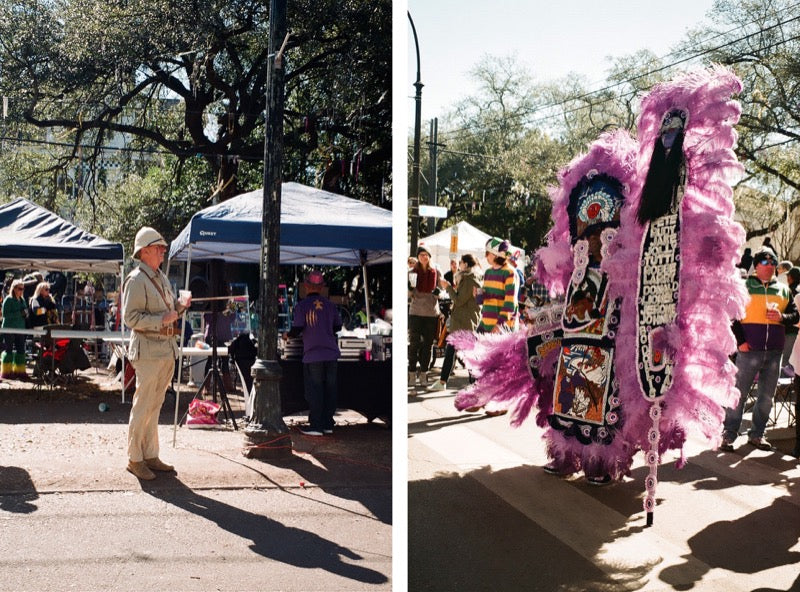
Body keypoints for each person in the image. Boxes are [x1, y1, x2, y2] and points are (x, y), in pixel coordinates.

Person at [122, 226, 190, 480]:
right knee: (143, 405)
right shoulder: (136, 279)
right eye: (159, 248)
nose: (163, 252)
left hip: (164, 350)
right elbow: (131, 318)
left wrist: (180, 308)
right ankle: (134, 458)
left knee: (155, 405)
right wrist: (163, 318)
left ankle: (150, 454)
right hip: (149, 351)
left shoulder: (159, 277)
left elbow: (169, 311)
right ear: (146, 251)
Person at [721, 246, 798, 452]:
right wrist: (740, 342)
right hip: (749, 351)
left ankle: (757, 435)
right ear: (756, 266)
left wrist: (782, 317)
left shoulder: (783, 290)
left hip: (774, 352)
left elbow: (795, 316)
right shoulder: (744, 287)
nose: (771, 265)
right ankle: (729, 434)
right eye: (766, 262)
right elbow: (732, 316)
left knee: (766, 396)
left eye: (774, 262)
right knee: (739, 394)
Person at [285, 270, 342, 436]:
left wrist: (286, 335)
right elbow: (337, 327)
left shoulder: (302, 306)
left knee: (315, 390)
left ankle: (316, 426)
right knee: (330, 389)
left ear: (306, 286)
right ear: (322, 287)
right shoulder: (330, 305)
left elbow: (296, 329)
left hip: (313, 355)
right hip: (331, 354)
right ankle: (327, 424)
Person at [428, 254, 481, 391]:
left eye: (461, 262)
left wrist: (448, 287)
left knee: (465, 353)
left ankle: (473, 383)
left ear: (467, 264)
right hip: (462, 320)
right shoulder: (468, 278)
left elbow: (459, 300)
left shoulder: (470, 280)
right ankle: (444, 381)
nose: (459, 264)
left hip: (465, 321)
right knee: (454, 351)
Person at [408, 245, 440, 388]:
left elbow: (443, 290)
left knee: (427, 345)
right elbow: (408, 295)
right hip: (415, 312)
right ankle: (412, 373)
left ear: (429, 256)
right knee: (414, 344)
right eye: (421, 255)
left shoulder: (436, 272)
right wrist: (409, 289)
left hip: (431, 312)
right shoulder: (411, 272)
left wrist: (439, 291)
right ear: (418, 257)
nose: (424, 257)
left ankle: (424, 373)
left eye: (426, 254)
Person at [476, 237, 518, 333]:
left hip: (501, 328)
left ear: (495, 255)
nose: (485, 256)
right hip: (485, 325)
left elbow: (510, 303)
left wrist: (499, 325)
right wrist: (479, 296)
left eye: (487, 253)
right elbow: (485, 300)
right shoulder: (488, 272)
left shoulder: (509, 273)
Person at [1, 279, 30, 381]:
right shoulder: (8, 300)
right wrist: (20, 313)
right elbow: (5, 315)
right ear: (14, 289)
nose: (21, 291)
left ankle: (20, 371)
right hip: (9, 328)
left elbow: (25, 313)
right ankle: (6, 372)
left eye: (23, 288)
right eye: (19, 289)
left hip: (20, 329)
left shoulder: (22, 300)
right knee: (8, 350)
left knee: (21, 350)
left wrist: (26, 314)